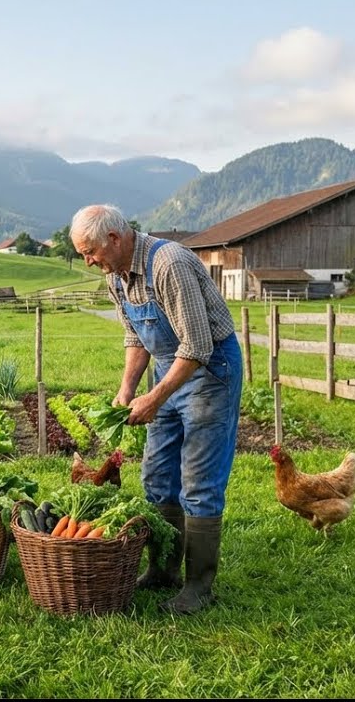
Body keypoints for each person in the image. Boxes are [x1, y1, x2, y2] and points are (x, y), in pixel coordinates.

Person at [70, 204, 242, 614]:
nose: (88, 261)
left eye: (90, 251)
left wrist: (156, 396)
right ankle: (164, 570)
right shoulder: (117, 278)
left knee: (198, 482)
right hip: (168, 370)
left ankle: (199, 588)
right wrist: (127, 390)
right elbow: (136, 338)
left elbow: (198, 345)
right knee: (157, 476)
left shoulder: (169, 264)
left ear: (114, 238)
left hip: (208, 370)